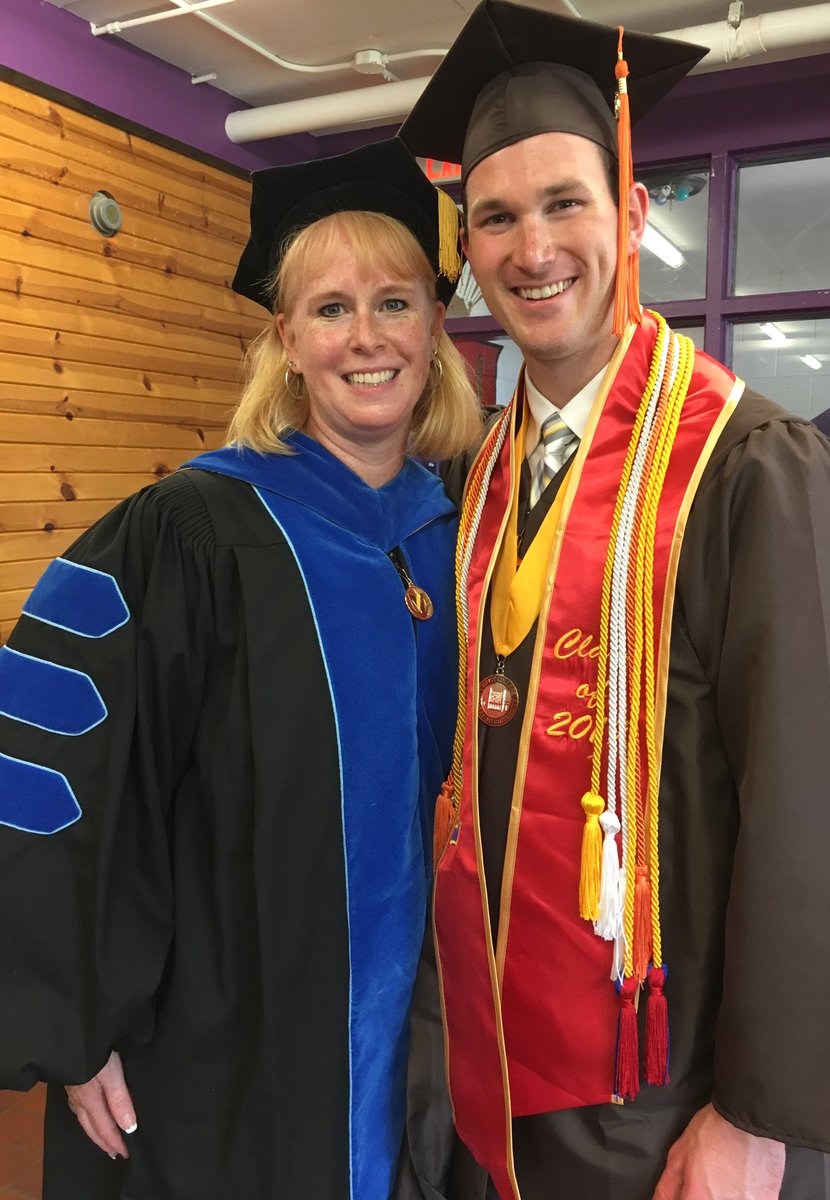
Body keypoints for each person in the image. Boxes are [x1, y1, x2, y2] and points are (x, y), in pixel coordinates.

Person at [397, 3, 830, 1199]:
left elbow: (828, 806)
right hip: (496, 1079)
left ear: (628, 215)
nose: (534, 250)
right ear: (468, 250)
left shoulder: (749, 467)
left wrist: (754, 1114)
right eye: (498, 219)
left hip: (672, 1109)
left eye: (566, 203)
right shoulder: (476, 486)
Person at [0, 136, 481, 1200]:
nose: (366, 336)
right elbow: (50, 759)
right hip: (230, 1047)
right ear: (287, 338)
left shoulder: (470, 536)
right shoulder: (190, 535)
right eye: (330, 308)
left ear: (436, 328)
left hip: (433, 1048)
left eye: (395, 302)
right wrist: (74, 1020)